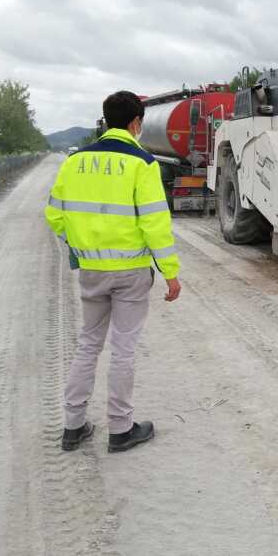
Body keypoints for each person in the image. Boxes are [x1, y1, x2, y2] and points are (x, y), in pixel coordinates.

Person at [45, 90, 181, 453]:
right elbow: (156, 225)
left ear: (105, 121)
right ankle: (121, 430)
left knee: (88, 344)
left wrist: (81, 245)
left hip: (92, 270)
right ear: (137, 124)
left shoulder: (74, 162)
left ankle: (73, 427)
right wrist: (170, 273)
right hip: (132, 272)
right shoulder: (143, 163)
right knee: (123, 348)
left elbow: (55, 214)